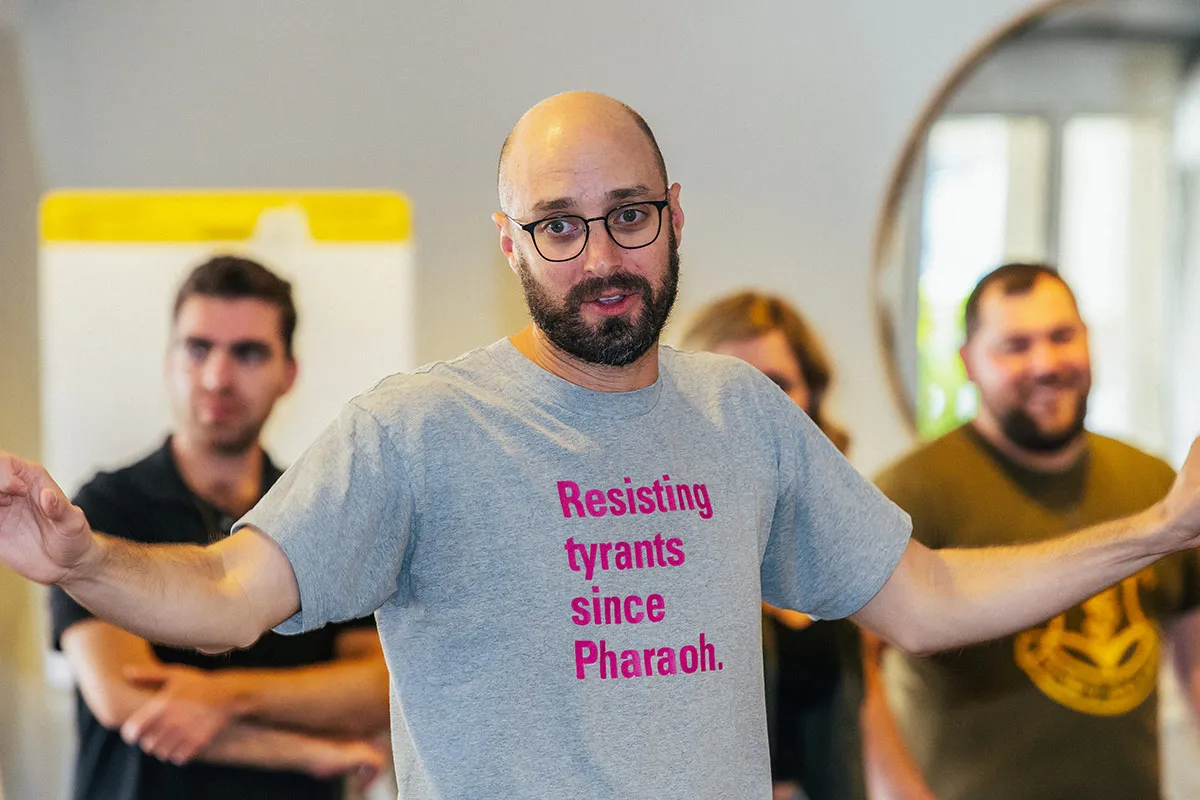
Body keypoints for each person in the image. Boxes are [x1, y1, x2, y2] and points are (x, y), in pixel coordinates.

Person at [4, 93, 1200, 798]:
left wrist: (1162, 526)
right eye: (558, 227)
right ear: (510, 243)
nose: (601, 257)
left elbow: (928, 596)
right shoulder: (416, 429)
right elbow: (226, 596)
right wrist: (81, 559)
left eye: (627, 216)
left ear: (674, 214)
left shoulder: (744, 415)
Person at [47, 255, 390, 799]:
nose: (218, 378)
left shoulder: (321, 509)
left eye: (248, 353)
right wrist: (313, 750)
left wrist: (226, 696)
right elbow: (124, 698)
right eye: (198, 348)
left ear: (288, 372)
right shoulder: (107, 508)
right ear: (169, 360)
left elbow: (377, 686)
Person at [862, 263, 1200, 800]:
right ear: (968, 363)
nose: (1045, 364)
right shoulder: (912, 491)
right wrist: (898, 790)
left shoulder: (1154, 481)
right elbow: (852, 667)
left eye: (1061, 336)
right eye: (1015, 346)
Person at [678, 290, 861, 800]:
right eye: (730, 384)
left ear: (811, 397)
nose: (756, 405)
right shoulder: (652, 546)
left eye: (777, 384)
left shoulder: (838, 532)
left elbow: (863, 711)